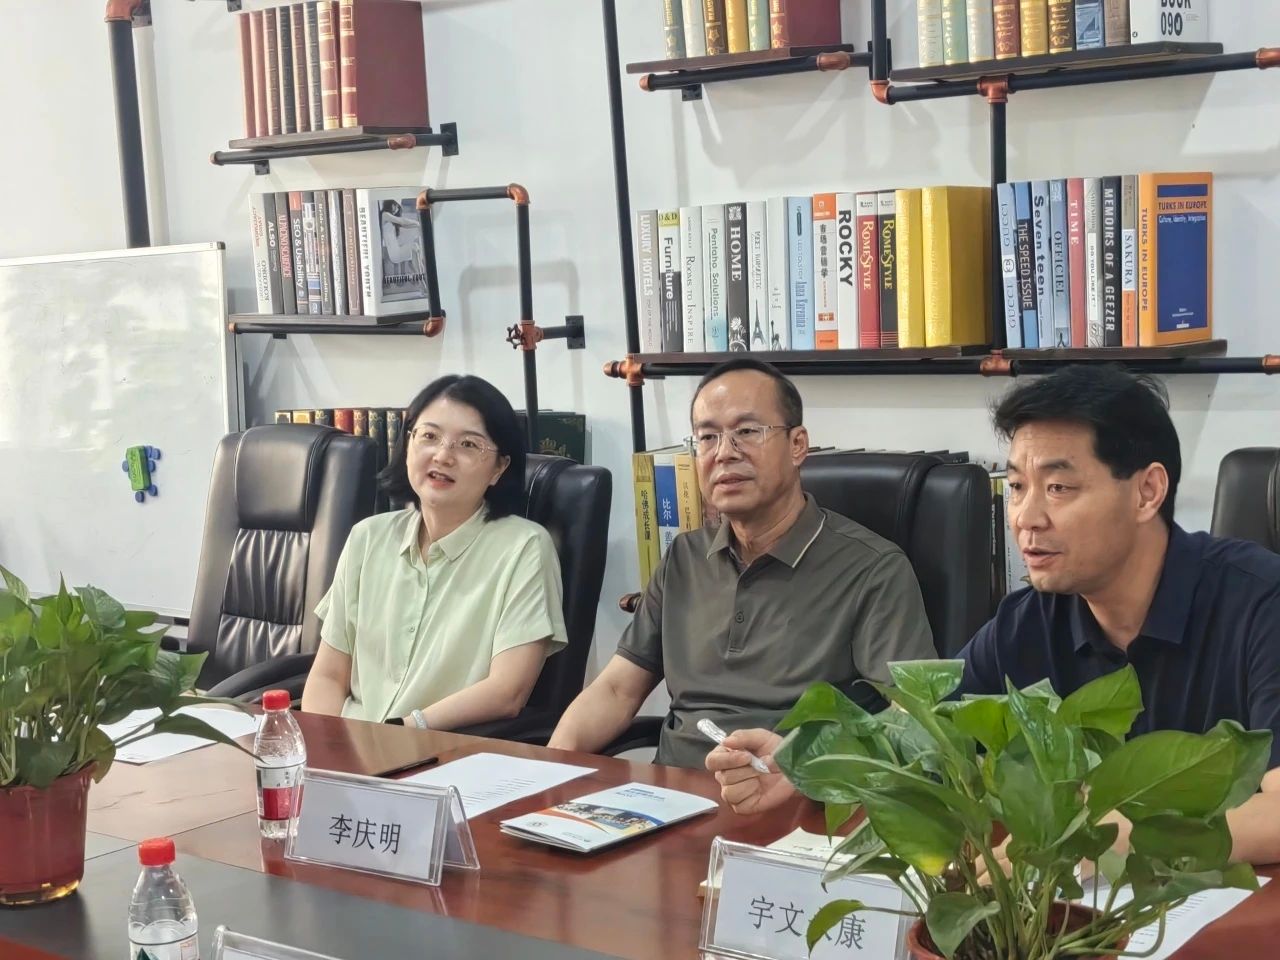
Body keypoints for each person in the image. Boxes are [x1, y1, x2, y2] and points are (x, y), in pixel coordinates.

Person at [706, 366, 1280, 866]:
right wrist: (802, 763)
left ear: (1147, 492)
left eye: (1059, 487)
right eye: (1020, 486)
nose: (1026, 517)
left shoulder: (1260, 604)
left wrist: (1113, 836)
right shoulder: (1030, 619)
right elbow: (918, 731)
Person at [547, 358, 936, 769]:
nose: (724, 453)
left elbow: (915, 721)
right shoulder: (684, 556)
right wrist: (545, 773)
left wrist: (801, 769)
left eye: (747, 432)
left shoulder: (873, 569)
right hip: (672, 790)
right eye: (708, 437)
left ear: (798, 445)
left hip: (796, 791)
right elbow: (616, 691)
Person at [301, 374, 567, 730]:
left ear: (499, 468)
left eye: (468, 445)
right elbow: (328, 676)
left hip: (437, 749)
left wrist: (402, 732)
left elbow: (508, 691)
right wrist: (320, 744)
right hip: (348, 745)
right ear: (407, 444)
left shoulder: (524, 548)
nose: (443, 456)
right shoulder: (368, 537)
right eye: (429, 436)